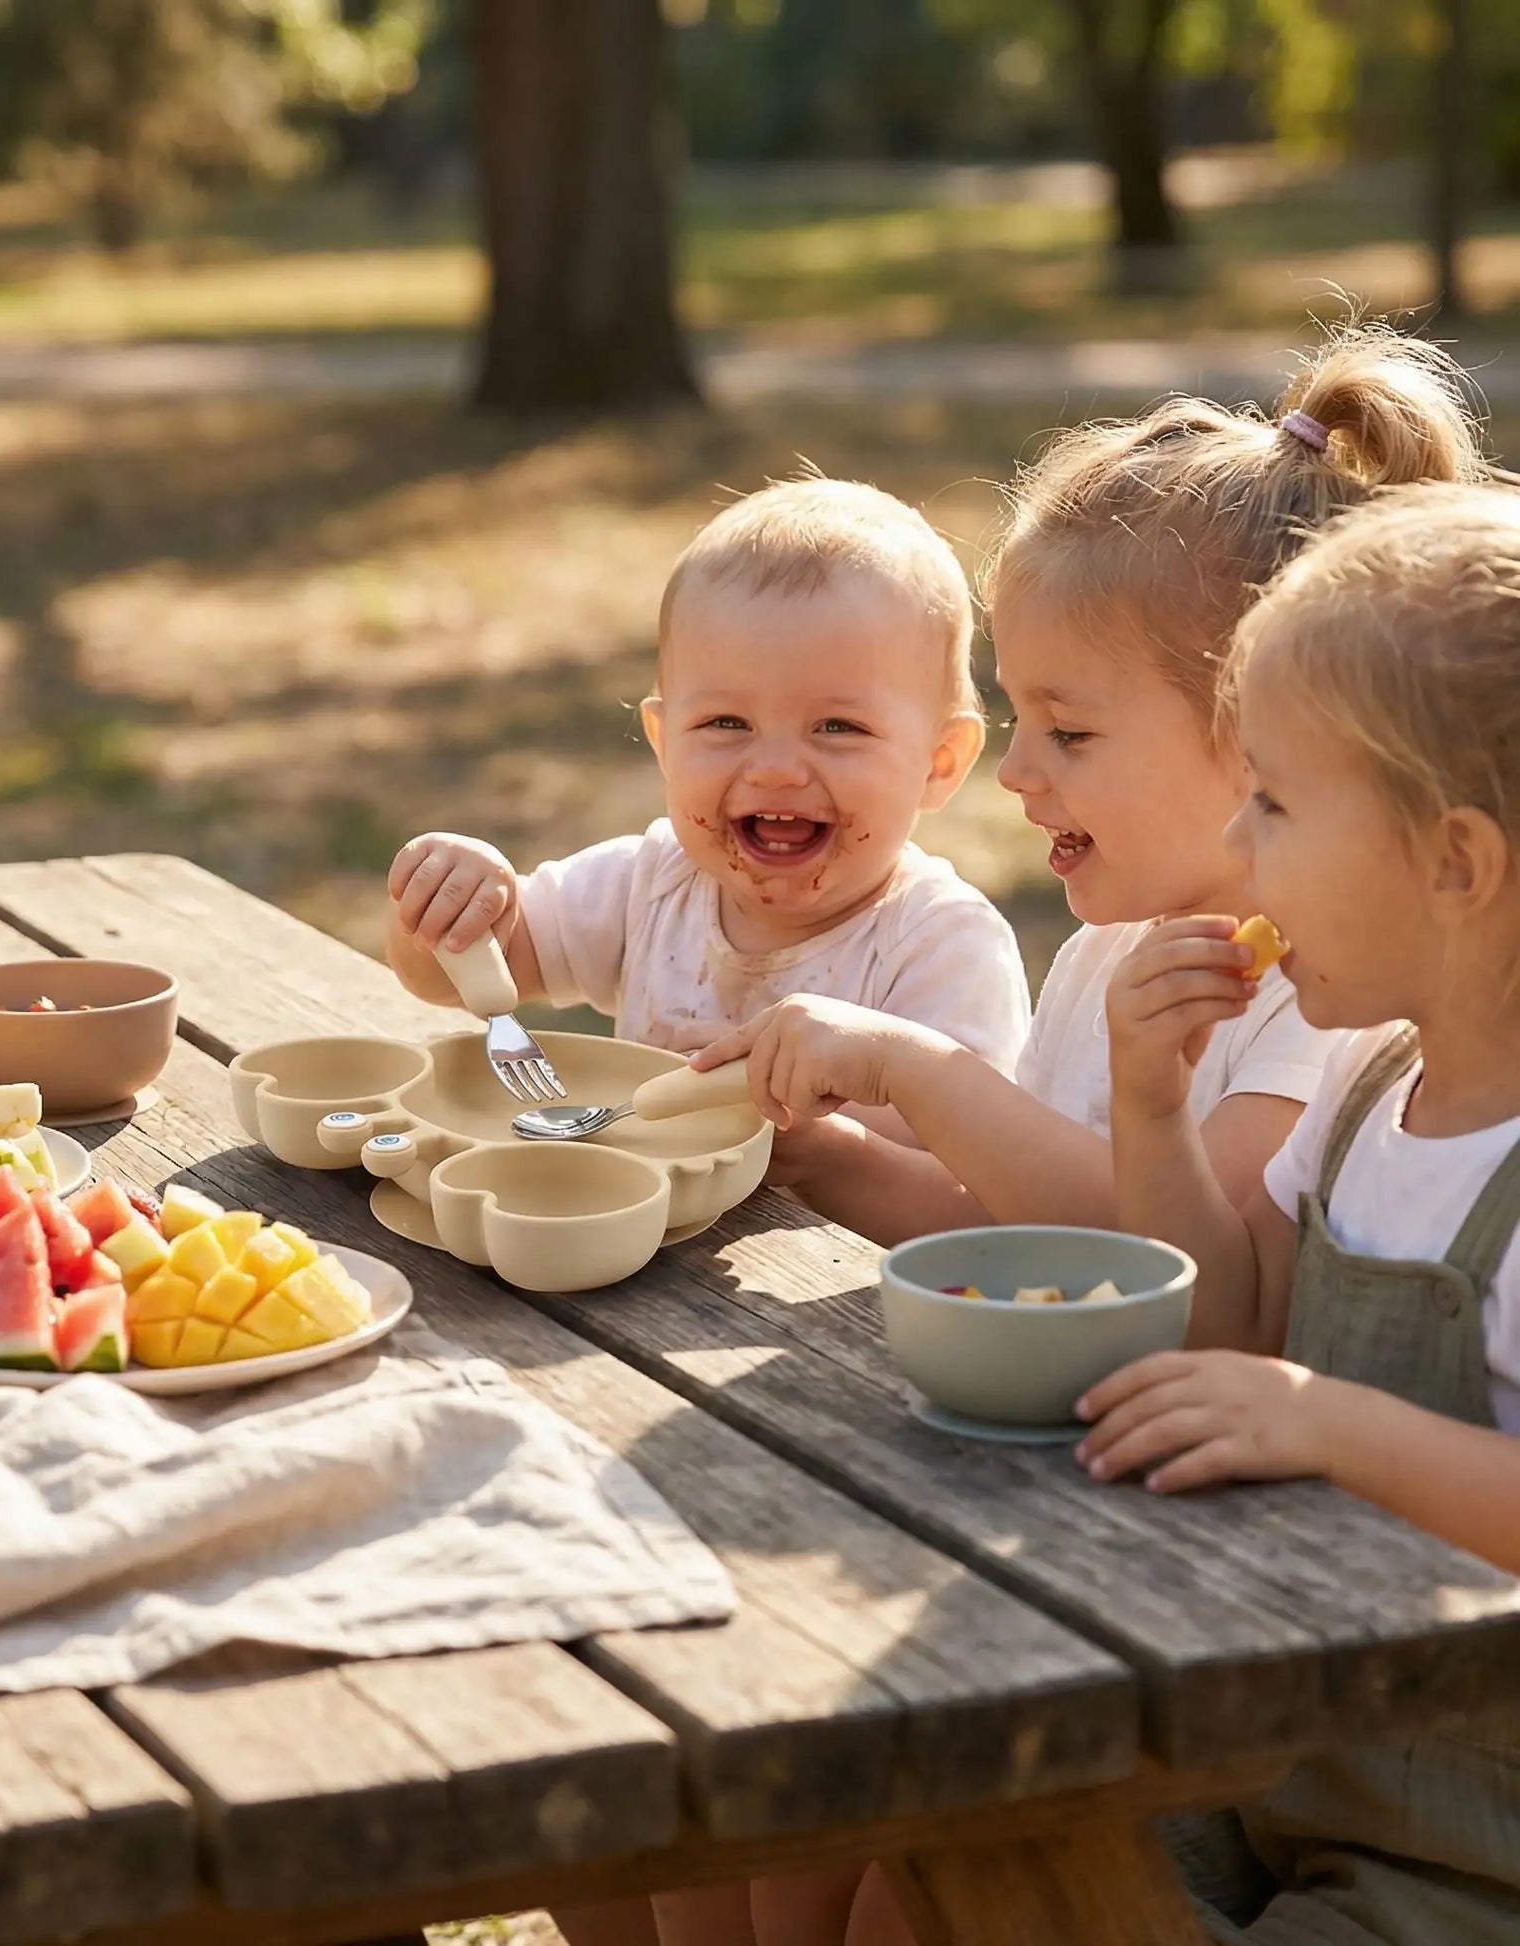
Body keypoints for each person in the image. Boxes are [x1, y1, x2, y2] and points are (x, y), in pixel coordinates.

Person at [693, 328, 1490, 1245]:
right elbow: (1017, 1217)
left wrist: (918, 1069)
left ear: (1259, 732)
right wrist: (824, 1157)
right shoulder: (1101, 956)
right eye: (1019, 721)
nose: (1018, 772)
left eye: (1069, 732)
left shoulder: (1325, 1003)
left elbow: (1164, 1256)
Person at [1074, 480, 1520, 1942]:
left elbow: (1290, 1394)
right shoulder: (1359, 1079)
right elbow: (1232, 1321)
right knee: (970, 1848)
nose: (1236, 844)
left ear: (1453, 863)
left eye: (1270, 800)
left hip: (1468, 1857)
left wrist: (1330, 1421)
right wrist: (1151, 1110)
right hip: (1283, 1758)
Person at [384, 476, 1030, 1129]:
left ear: (939, 763)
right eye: (726, 723)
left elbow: (964, 1183)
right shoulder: (652, 886)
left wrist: (809, 1149)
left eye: (839, 727)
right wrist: (446, 904)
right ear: (665, 741)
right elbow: (456, 977)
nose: (776, 769)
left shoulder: (943, 950)